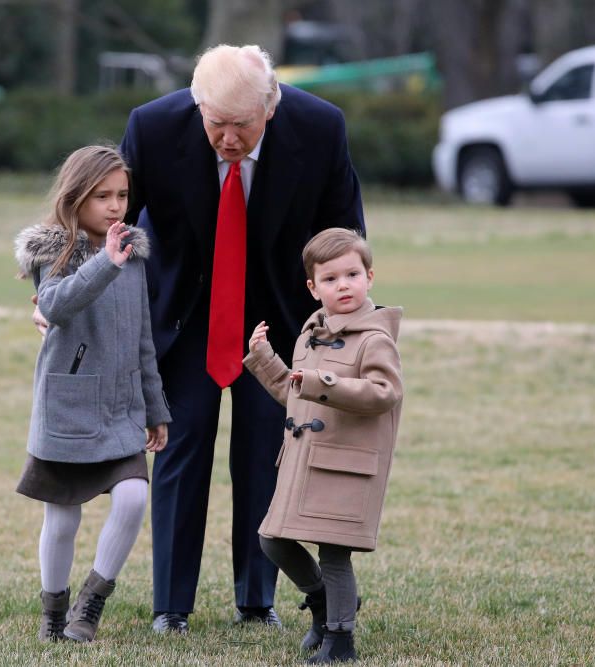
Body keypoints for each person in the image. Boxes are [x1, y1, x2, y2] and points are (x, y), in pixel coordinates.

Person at [33, 44, 364, 633]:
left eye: (242, 126)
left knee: (266, 455)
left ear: (273, 105)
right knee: (179, 454)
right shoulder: (153, 127)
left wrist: (349, 321)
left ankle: (257, 603)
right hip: (182, 318)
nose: (229, 139)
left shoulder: (320, 127)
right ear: (196, 104)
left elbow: (344, 232)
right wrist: (62, 296)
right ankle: (171, 608)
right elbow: (107, 222)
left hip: (279, 323)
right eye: (216, 124)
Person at [14, 145, 171, 643]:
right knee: (62, 520)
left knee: (132, 498)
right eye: (102, 195)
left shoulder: (133, 253)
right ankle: (54, 613)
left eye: (122, 195)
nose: (115, 206)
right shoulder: (53, 249)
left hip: (122, 408)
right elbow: (56, 304)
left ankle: (92, 601)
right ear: (75, 196)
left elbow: (144, 338)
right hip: (69, 406)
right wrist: (103, 262)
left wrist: (155, 408)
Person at [243, 228, 403, 663]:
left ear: (370, 276)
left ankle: (340, 639)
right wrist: (266, 359)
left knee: (334, 552)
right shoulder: (311, 333)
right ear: (313, 288)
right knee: (271, 540)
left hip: (345, 464)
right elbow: (297, 394)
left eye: (352, 274)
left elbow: (384, 391)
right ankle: (323, 604)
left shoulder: (374, 338)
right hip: (303, 460)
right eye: (331, 279)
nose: (343, 285)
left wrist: (321, 381)